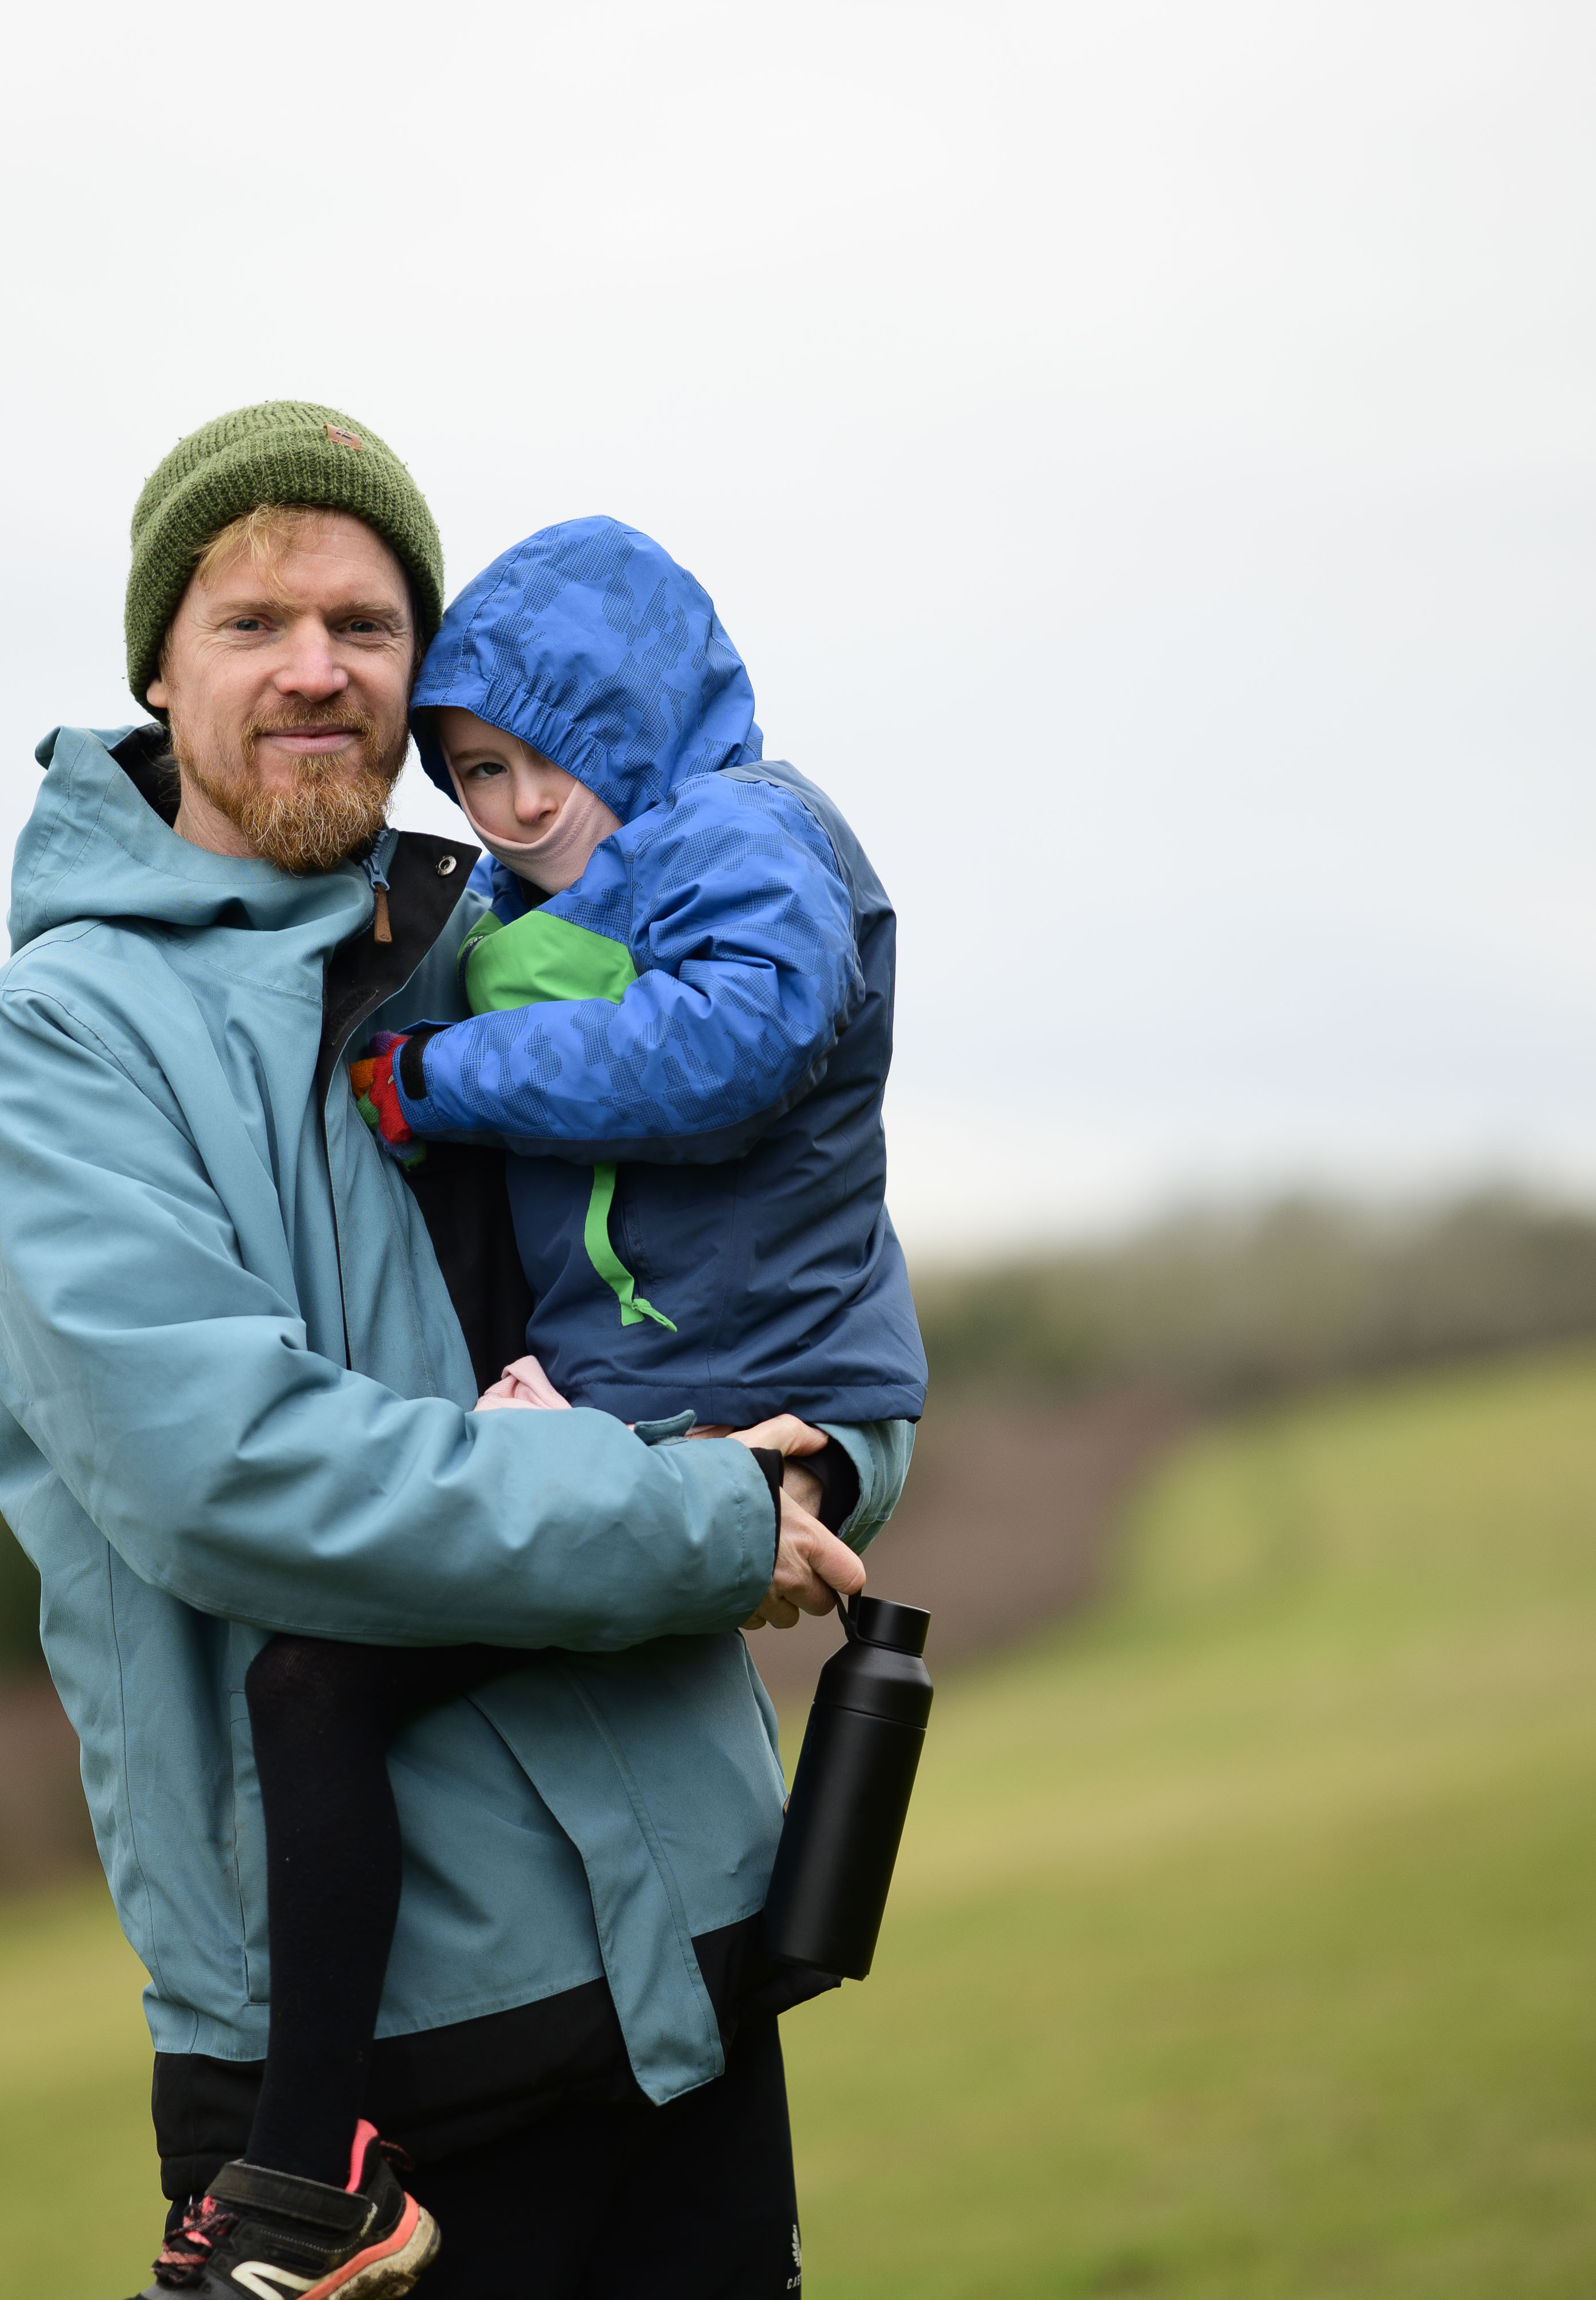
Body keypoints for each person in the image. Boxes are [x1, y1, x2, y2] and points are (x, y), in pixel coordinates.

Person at [0, 402, 902, 2300]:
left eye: (366, 627)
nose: (317, 669)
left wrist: (831, 1468)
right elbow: (233, 1479)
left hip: (691, 1952)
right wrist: (714, 1523)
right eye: (255, 622)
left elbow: (778, 1263)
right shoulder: (61, 1042)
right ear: (158, 664)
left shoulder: (515, 930)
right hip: (381, 2061)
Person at [235, 515, 929, 2285]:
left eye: (549, 754)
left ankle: (299, 2176)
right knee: (318, 1689)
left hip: (750, 1408)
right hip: (652, 1407)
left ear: (641, 717)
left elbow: (739, 1044)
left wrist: (439, 1076)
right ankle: (320, 2163)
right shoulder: (566, 904)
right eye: (474, 773)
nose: (519, 804)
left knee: (318, 1688)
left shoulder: (749, 836)